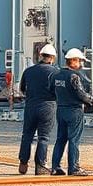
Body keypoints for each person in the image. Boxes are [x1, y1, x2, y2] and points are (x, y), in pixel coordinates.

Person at [50, 48, 93, 176]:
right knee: (74, 139)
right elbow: (80, 93)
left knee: (60, 139)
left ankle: (55, 167)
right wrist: (90, 102)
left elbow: (51, 90)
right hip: (74, 111)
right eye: (79, 61)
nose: (80, 64)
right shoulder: (74, 76)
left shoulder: (56, 75)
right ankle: (73, 168)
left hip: (61, 109)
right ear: (73, 61)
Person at [17, 43, 59, 175]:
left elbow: (22, 89)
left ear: (40, 56)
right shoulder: (56, 72)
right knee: (43, 137)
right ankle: (40, 165)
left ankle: (23, 162)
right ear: (52, 58)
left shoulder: (28, 71)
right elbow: (58, 91)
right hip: (47, 106)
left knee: (27, 135)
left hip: (30, 106)